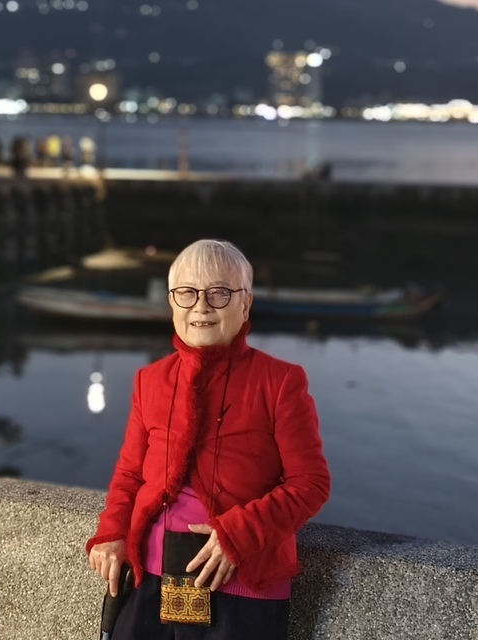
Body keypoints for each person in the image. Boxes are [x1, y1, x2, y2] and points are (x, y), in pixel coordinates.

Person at [87, 239, 331, 640]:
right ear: (172, 303)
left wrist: (238, 533)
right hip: (149, 576)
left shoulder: (280, 381)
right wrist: (112, 534)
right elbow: (130, 474)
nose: (201, 306)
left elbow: (311, 484)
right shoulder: (150, 380)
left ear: (246, 304)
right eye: (187, 293)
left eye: (219, 293)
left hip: (244, 582)